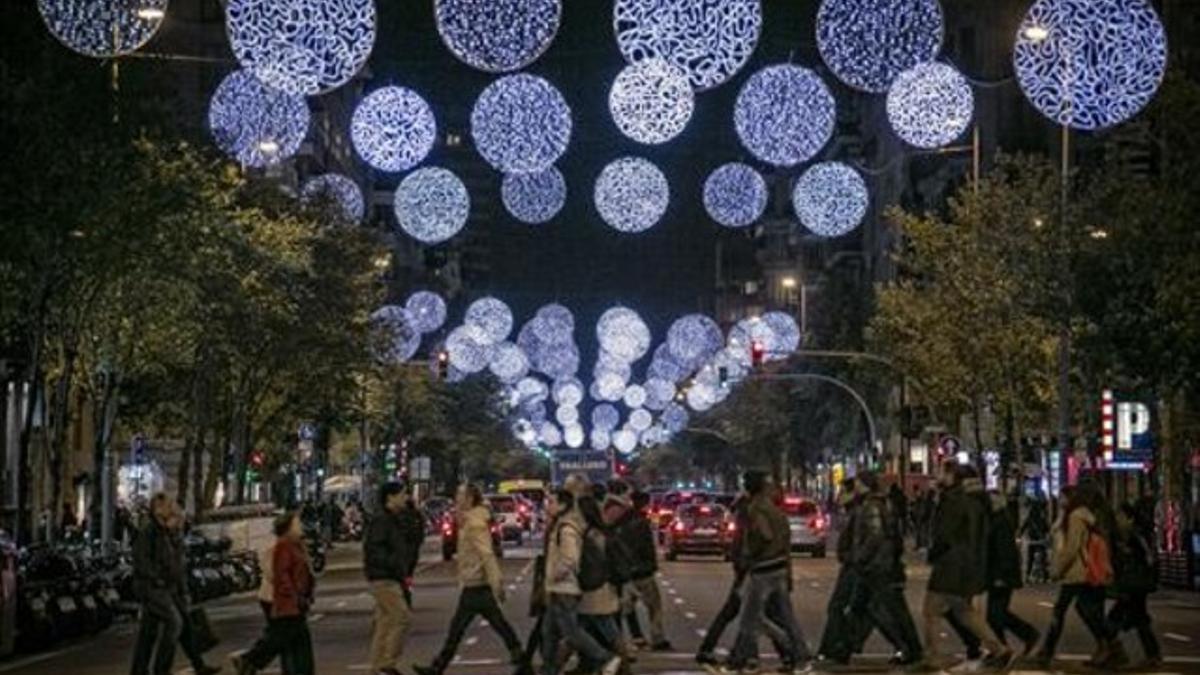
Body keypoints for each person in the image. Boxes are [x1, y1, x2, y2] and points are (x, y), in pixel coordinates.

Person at [912, 464, 1012, 672]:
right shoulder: (978, 501)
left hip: (951, 564)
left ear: (953, 477)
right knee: (963, 610)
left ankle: (931, 656)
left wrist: (934, 553)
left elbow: (944, 534)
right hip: (970, 563)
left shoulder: (953, 501)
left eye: (944, 472)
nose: (940, 476)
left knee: (931, 610)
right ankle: (998, 649)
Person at [415, 484, 522, 675]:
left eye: (460, 495)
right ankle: (521, 658)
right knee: (498, 624)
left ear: (470, 498)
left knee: (458, 628)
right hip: (476, 582)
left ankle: (438, 667)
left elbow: (486, 554)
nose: (456, 498)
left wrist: (496, 582)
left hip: (476, 583)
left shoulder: (475, 524)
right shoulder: (468, 521)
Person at [724, 471, 811, 673]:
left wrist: (750, 553)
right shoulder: (774, 509)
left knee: (751, 617)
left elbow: (764, 535)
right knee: (784, 616)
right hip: (779, 566)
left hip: (763, 568)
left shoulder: (757, 509)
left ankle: (745, 658)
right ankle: (799, 655)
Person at [696, 492, 790, 670]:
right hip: (752, 576)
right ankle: (781, 654)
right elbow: (749, 550)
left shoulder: (747, 526)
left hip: (751, 575)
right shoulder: (748, 527)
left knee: (746, 615)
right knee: (763, 615)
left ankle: (730, 653)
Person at [1031, 479, 1120, 668]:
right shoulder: (1077, 515)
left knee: (1062, 611)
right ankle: (1109, 645)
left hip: (1077, 571)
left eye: (1062, 496)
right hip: (1080, 571)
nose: (1060, 499)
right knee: (1085, 610)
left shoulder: (1076, 517)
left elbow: (1072, 547)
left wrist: (1058, 569)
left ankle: (1047, 650)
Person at [130, 493, 220, 675]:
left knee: (157, 630)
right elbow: (142, 561)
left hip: (169, 587)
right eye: (168, 510)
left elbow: (178, 565)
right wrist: (157, 579)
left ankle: (196, 665)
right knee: (175, 622)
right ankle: (161, 669)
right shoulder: (150, 533)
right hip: (154, 588)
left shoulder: (171, 534)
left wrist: (183, 589)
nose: (174, 516)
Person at [541, 484, 622, 675]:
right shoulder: (560, 525)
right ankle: (549, 670)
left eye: (551, 502)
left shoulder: (566, 528)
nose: (547, 506)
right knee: (550, 634)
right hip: (558, 588)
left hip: (564, 589)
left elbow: (570, 558)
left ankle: (605, 658)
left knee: (572, 633)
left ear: (562, 505)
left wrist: (555, 575)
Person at [847, 472, 922, 665]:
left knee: (879, 608)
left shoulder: (871, 506)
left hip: (876, 565)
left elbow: (875, 535)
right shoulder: (882, 503)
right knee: (879, 607)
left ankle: (905, 646)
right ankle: (908, 647)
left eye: (857, 483)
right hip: (883, 563)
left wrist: (859, 557)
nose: (854, 486)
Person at [365, 482, 415, 675]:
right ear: (390, 497)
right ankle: (387, 663)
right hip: (384, 576)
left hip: (389, 575)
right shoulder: (383, 520)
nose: (406, 498)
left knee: (384, 622)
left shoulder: (393, 519)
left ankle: (377, 667)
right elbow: (375, 549)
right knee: (401, 616)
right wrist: (393, 564)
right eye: (402, 494)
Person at [983, 491, 1040, 656]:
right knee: (996, 614)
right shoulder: (998, 520)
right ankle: (1006, 645)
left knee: (995, 615)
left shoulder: (1000, 523)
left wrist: (1002, 575)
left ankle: (1006, 646)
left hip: (1001, 575)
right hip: (999, 573)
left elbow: (1005, 551)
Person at [1107, 503, 1161, 669]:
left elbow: (1147, 559)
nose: (1118, 520)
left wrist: (1126, 553)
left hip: (1134, 585)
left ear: (1130, 518)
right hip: (1134, 585)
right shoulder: (1129, 535)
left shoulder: (1135, 536)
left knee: (1116, 618)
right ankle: (1151, 654)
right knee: (1138, 618)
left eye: (1121, 516)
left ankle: (1115, 653)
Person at [232, 517, 285, 675]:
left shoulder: (283, 546)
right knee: (280, 634)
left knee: (277, 633)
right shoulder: (274, 547)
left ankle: (250, 661)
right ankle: (249, 659)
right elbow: (272, 572)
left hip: (277, 597)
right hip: (272, 597)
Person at [619, 491, 671, 651]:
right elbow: (645, 547)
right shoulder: (641, 522)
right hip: (642, 570)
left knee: (627, 607)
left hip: (627, 570)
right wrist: (651, 564)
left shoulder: (623, 520)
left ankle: (637, 637)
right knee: (654, 606)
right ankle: (657, 638)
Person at [272, 511, 315, 674]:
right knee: (292, 647)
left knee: (295, 645)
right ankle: (250, 659)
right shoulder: (284, 546)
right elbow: (282, 575)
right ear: (288, 528)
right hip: (289, 605)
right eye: (297, 524)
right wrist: (294, 596)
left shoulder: (296, 545)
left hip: (297, 604)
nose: (300, 526)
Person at [398, 494, 426, 606]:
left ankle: (405, 591)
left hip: (406, 547)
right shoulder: (416, 514)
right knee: (408, 572)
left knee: (404, 572)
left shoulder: (401, 515)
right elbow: (421, 530)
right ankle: (406, 590)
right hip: (411, 547)